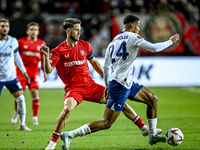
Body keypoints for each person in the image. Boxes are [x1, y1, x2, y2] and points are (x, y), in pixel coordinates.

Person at [60, 15, 180, 149]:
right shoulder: (134, 37)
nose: (139, 29)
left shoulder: (113, 41)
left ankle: (152, 134)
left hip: (123, 82)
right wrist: (170, 41)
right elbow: (154, 48)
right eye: (138, 26)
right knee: (106, 122)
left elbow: (106, 67)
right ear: (132, 26)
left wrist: (107, 85)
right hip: (120, 86)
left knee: (152, 99)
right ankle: (70, 135)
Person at [10, 22, 47, 125]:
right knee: (19, 95)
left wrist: (44, 73)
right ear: (27, 31)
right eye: (31, 29)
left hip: (34, 73)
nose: (33, 31)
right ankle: (17, 113)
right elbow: (14, 56)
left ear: (38, 32)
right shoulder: (21, 42)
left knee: (35, 93)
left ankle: (35, 118)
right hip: (21, 73)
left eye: (35, 30)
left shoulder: (41, 43)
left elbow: (43, 59)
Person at [0, 18, 31, 131]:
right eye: (2, 26)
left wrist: (24, 72)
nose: (5, 28)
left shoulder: (13, 41)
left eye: (6, 26)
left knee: (21, 98)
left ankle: (22, 125)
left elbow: (17, 57)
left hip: (11, 77)